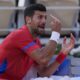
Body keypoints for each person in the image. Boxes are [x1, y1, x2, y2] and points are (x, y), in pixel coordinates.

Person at [0, 3, 75, 80]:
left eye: (45, 18)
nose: (44, 21)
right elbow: (44, 60)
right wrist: (55, 33)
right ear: (28, 20)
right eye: (40, 17)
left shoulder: (36, 41)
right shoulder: (20, 34)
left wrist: (63, 54)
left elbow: (44, 73)